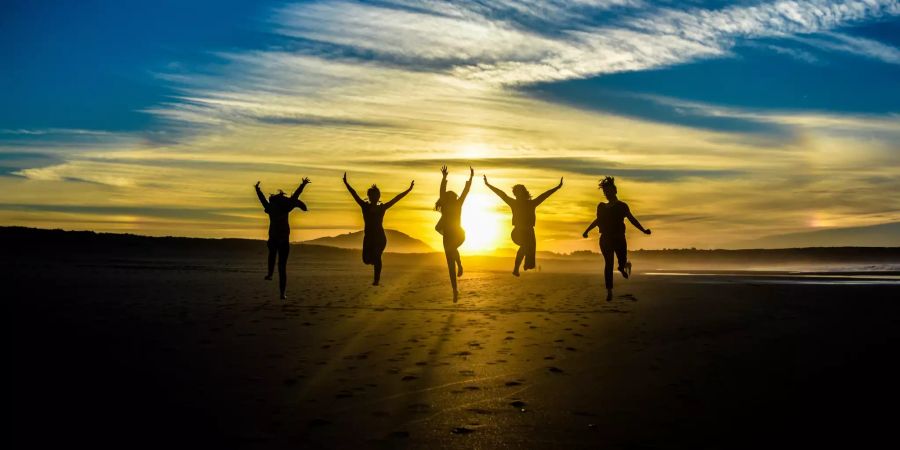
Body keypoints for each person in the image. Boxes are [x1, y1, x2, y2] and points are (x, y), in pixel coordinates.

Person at [582, 176, 651, 301]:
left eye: (609, 191)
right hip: (605, 239)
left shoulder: (622, 206)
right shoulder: (601, 207)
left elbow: (631, 219)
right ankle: (609, 291)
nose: (607, 194)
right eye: (605, 192)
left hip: (619, 238)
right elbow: (598, 220)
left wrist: (643, 230)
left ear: (615, 191)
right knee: (608, 263)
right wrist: (587, 230)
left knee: (621, 261)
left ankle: (623, 266)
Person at [343, 172, 414, 286]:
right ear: (369, 196)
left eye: (376, 195)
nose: (374, 197)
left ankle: (376, 280)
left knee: (377, 257)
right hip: (368, 238)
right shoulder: (364, 206)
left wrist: (409, 190)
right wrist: (346, 183)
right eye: (372, 195)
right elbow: (354, 194)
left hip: (380, 238)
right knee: (366, 260)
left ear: (378, 196)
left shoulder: (382, 208)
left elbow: (396, 199)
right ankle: (375, 262)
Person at [484, 175, 563, 276]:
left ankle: (525, 265)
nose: (517, 194)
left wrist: (557, 187)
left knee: (528, 248)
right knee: (525, 246)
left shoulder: (531, 203)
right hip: (518, 232)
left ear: (523, 193)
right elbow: (501, 194)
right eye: (515, 193)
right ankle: (516, 269)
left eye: (518, 192)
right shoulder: (514, 203)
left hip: (529, 233)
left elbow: (544, 195)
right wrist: (488, 184)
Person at [255, 178, 310, 300]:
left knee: (272, 256)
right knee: (281, 267)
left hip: (275, 239)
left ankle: (270, 275)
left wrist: (257, 189)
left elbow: (262, 200)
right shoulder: (285, 208)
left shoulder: (271, 208)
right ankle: (282, 293)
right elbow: (295, 196)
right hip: (282, 240)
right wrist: (303, 184)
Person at [435, 165, 473, 302]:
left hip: (458, 234)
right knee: (450, 266)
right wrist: (444, 178)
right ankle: (455, 290)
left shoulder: (458, 204)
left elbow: (465, 192)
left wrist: (470, 179)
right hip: (448, 237)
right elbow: (442, 191)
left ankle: (460, 264)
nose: (453, 197)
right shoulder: (446, 206)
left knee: (452, 249)